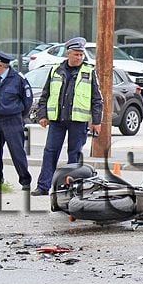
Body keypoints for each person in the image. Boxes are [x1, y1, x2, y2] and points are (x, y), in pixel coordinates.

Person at [31, 37, 103, 196]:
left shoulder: (89, 72)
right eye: (76, 54)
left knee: (74, 154)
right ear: (68, 54)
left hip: (78, 121)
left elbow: (97, 99)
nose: (79, 57)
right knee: (50, 151)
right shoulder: (55, 70)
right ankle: (43, 186)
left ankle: (73, 188)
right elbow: (46, 94)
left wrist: (96, 121)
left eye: (81, 55)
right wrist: (42, 115)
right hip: (57, 120)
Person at [0, 50, 33, 190]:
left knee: (17, 151)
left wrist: (19, 115)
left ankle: (25, 181)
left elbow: (28, 99)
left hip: (12, 120)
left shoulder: (18, 79)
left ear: (0, 65)